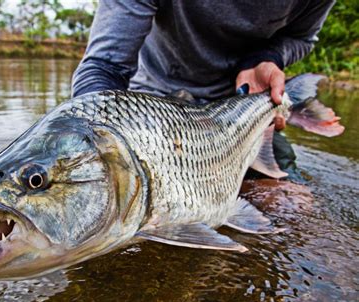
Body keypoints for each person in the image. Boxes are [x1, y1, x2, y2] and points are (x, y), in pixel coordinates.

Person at [71, 0, 335, 180]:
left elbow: (301, 37)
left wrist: (266, 57)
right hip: (151, 111)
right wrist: (86, 148)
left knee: (292, 208)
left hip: (240, 110)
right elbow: (104, 66)